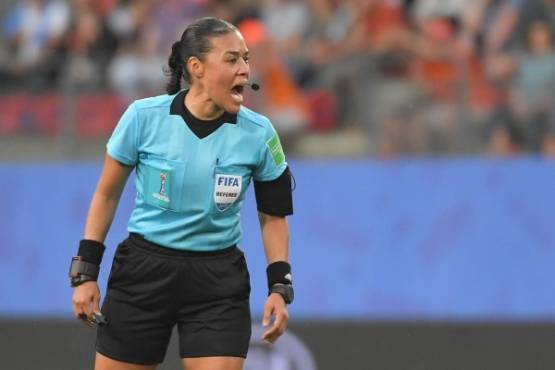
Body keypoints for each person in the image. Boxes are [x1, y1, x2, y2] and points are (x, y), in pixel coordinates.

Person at [69, 17, 294, 370]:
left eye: (246, 59)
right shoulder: (143, 118)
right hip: (143, 274)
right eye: (232, 59)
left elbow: (273, 215)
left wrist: (279, 287)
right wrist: (85, 273)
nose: (245, 70)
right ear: (196, 67)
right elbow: (106, 195)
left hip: (217, 283)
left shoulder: (260, 134)